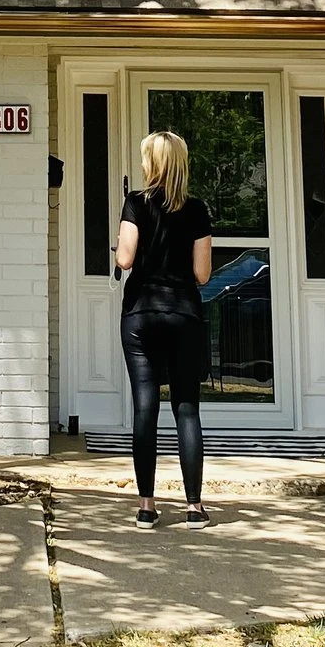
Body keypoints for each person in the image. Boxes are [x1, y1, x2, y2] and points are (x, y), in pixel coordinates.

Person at [113, 129, 215, 529]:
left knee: (145, 407)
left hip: (140, 315)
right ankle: (193, 507)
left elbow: (124, 260)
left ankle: (146, 506)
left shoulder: (135, 203)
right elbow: (202, 274)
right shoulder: (197, 209)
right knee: (187, 409)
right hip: (183, 315)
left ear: (151, 163)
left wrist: (121, 240)